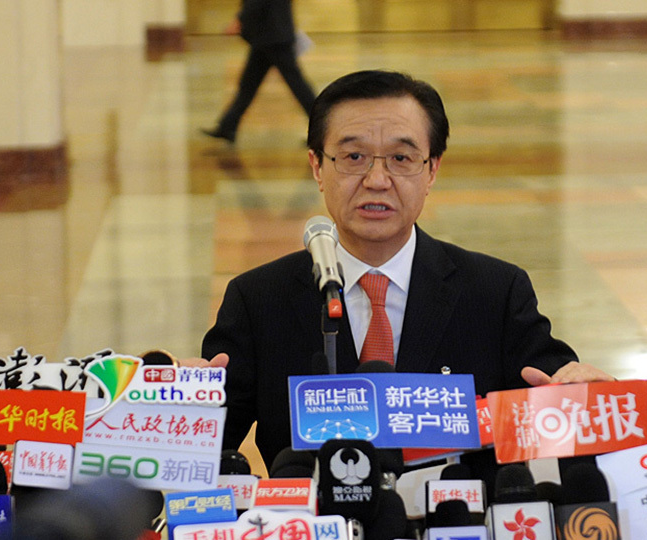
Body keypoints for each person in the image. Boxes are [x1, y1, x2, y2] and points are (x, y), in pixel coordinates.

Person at [193, 70, 614, 470]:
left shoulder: (496, 292)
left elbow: (568, 417)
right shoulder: (259, 300)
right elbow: (203, 446)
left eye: (401, 158)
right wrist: (175, 405)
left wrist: (595, 400)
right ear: (317, 167)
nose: (377, 180)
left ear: (432, 170)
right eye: (353, 156)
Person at [201, 0, 316, 143]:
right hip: (269, 36)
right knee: (248, 85)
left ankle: (323, 127)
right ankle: (227, 127)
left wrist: (239, 20)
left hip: (273, 37)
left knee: (297, 86)